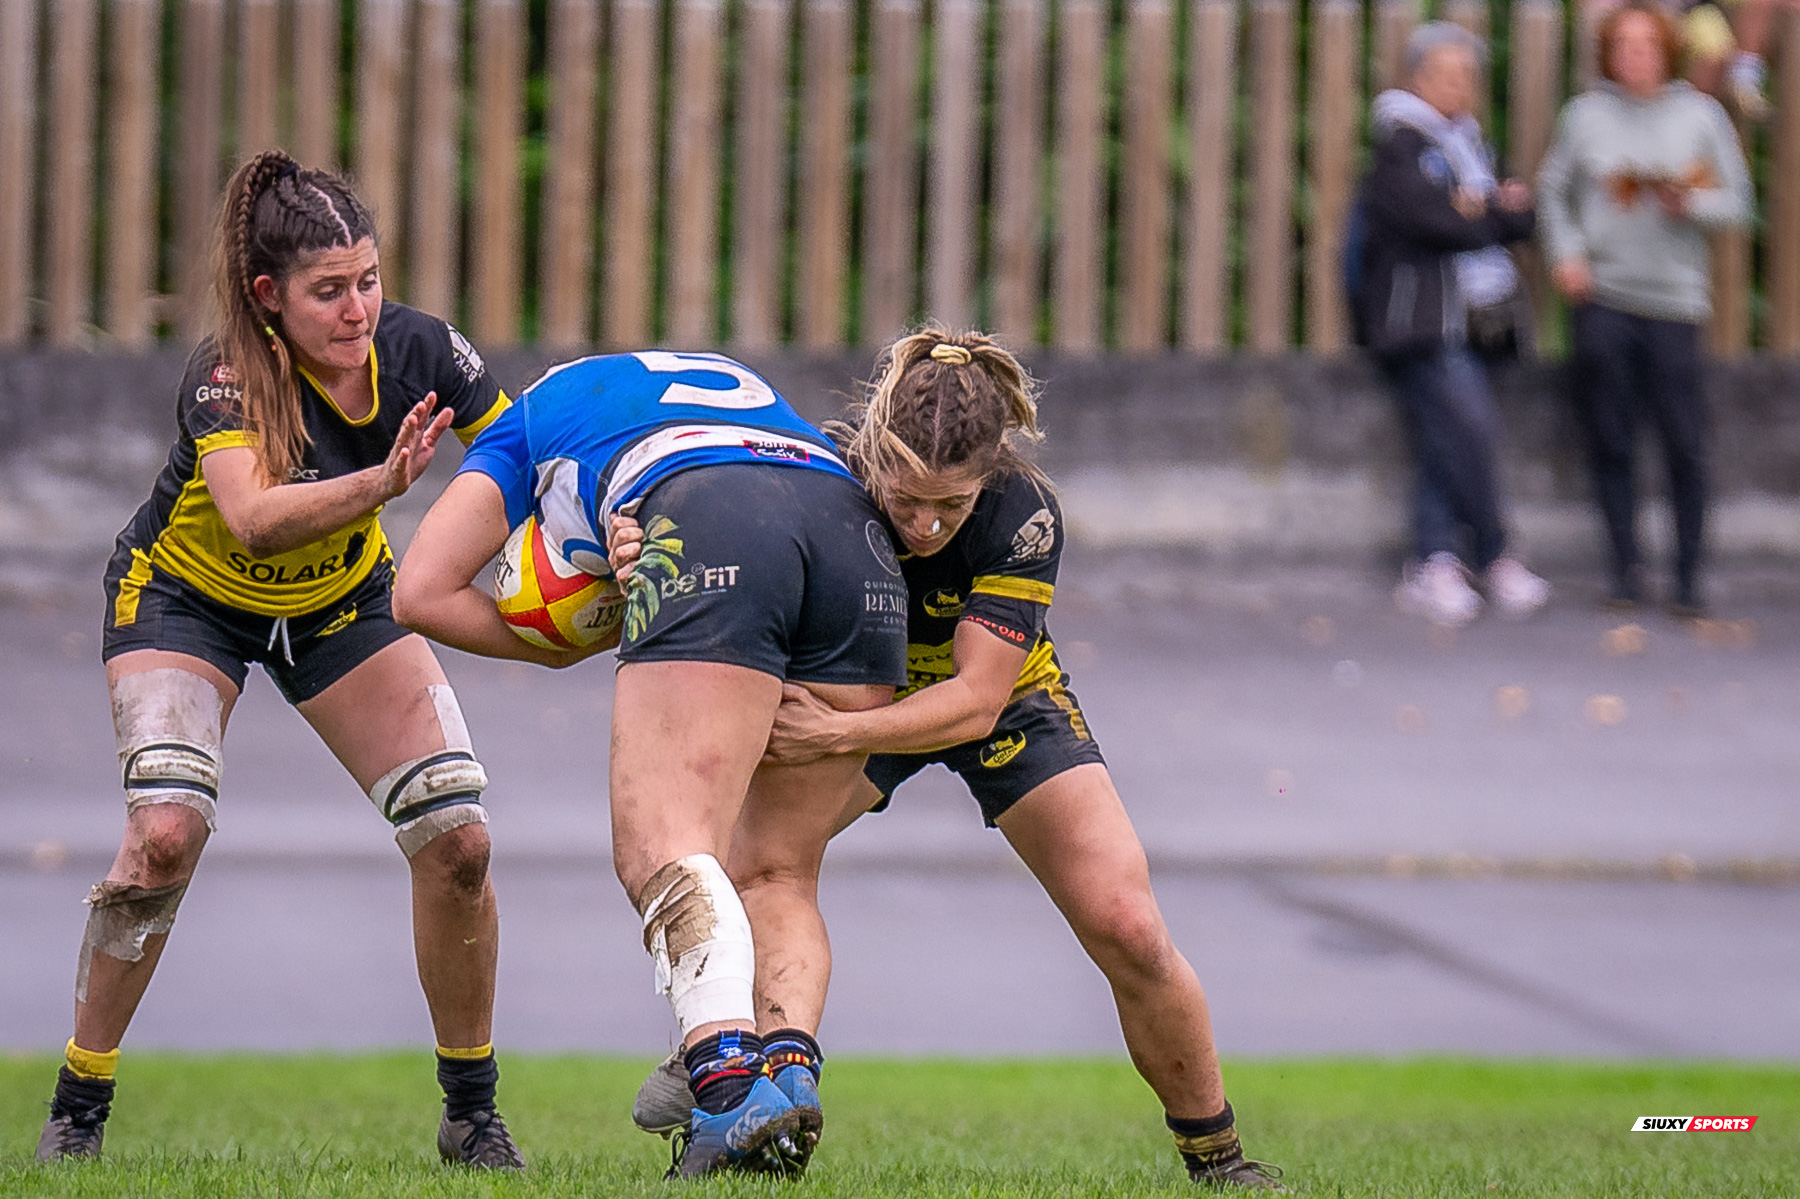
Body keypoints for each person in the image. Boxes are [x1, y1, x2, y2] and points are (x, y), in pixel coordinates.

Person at [625, 330, 1287, 1191]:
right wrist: (636, 544)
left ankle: (1221, 1161)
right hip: (861, 685)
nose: (928, 525)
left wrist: (834, 736)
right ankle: (754, 1077)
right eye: (906, 501)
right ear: (874, 452)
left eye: (953, 505)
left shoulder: (1023, 512)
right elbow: (709, 526)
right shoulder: (820, 478)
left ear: (990, 475)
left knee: (1129, 924)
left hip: (999, 703)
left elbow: (976, 697)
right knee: (760, 869)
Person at [39, 150, 524, 1168]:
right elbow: (254, 519)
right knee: (164, 836)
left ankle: (472, 1115)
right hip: (186, 601)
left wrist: (604, 534)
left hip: (340, 600)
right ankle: (78, 1108)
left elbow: (530, 461)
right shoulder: (227, 372)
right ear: (269, 296)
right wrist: (384, 484)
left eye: (368, 279)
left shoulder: (425, 350)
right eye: (327, 290)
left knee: (460, 839)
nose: (357, 309)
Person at [390, 350, 909, 1177]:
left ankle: (728, 1090)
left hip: (711, 516)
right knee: (778, 869)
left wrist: (564, 645)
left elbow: (419, 590)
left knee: (664, 846)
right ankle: (787, 1077)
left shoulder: (522, 424)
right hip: (853, 532)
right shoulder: (700, 377)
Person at [1538, 0, 1752, 615]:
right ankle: (1624, 571)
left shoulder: (1700, 116)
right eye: (1623, 45)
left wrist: (1691, 205)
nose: (1635, 55)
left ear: (1667, 51)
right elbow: (1553, 191)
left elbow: (1737, 201)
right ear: (1609, 54)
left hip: (1675, 303)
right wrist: (1567, 253)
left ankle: (1688, 576)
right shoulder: (1584, 116)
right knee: (1611, 438)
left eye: (1647, 44)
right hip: (1603, 297)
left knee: (1684, 442)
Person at [1353, 23, 1551, 628]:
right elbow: (1433, 222)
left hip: (1481, 320)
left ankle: (1434, 561)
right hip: (1422, 321)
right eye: (1443, 74)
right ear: (1416, 79)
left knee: (1445, 440)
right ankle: (1494, 553)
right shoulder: (1399, 144)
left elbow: (1523, 218)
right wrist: (1488, 209)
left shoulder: (1472, 143)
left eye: (1466, 75)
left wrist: (1476, 207)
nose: (1457, 86)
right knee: (1472, 430)